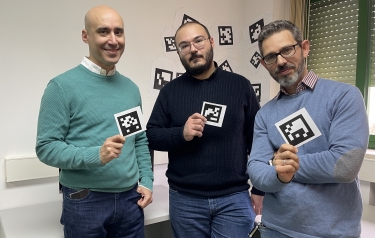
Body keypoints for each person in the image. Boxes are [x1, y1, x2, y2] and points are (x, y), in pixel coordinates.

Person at [36, 6, 153, 238]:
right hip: (85, 200)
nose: (113, 40)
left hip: (131, 200)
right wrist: (96, 155)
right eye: (103, 32)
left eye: (118, 32)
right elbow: (46, 147)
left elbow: (138, 140)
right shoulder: (61, 87)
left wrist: (147, 181)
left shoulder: (130, 89)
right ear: (85, 36)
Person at [247, 20, 369, 238]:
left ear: (304, 48)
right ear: (265, 64)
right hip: (275, 229)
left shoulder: (344, 96)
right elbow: (256, 172)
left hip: (333, 233)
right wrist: (277, 171)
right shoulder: (264, 114)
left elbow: (344, 166)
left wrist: (280, 166)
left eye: (287, 50)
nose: (281, 61)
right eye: (271, 57)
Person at [146, 21, 264, 238]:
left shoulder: (240, 85)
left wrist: (259, 188)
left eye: (198, 40)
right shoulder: (170, 92)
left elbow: (257, 139)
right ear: (179, 53)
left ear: (211, 42)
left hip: (234, 198)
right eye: (184, 45)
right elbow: (151, 136)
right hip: (185, 199)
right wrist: (181, 133)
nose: (193, 49)